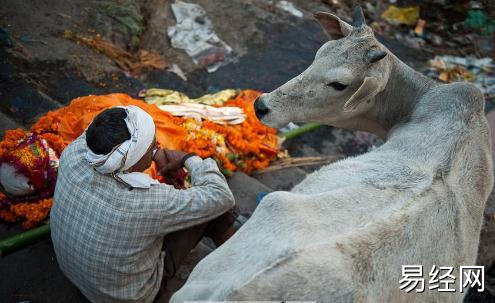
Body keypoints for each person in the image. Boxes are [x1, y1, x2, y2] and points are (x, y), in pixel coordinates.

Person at [50, 106, 238, 303]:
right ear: (134, 157)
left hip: (75, 274)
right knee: (216, 209)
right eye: (152, 147)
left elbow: (113, 145)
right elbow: (221, 195)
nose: (155, 148)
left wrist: (155, 153)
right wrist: (188, 158)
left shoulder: (74, 152)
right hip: (128, 297)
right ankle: (239, 264)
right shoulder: (147, 200)